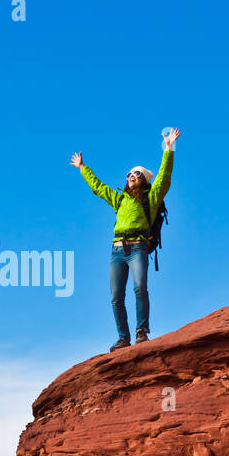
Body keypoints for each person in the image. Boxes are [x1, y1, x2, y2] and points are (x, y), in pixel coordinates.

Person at [71, 128, 180, 350]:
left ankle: (141, 332)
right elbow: (99, 188)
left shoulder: (152, 197)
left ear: (145, 181)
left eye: (137, 174)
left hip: (138, 247)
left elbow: (164, 176)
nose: (132, 175)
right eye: (129, 173)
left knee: (140, 287)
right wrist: (83, 168)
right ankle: (123, 338)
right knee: (115, 297)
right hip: (117, 250)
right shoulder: (119, 199)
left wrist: (169, 148)